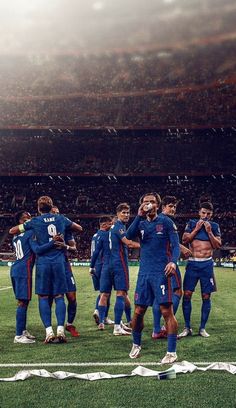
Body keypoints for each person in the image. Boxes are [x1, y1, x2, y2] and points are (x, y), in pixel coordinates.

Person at [9, 196, 83, 344]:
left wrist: (28, 224)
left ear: (38, 208)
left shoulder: (34, 222)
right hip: (59, 262)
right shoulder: (61, 218)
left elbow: (13, 231)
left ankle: (49, 332)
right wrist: (63, 229)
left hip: (43, 264)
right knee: (59, 296)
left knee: (43, 297)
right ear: (51, 207)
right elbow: (79, 228)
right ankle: (61, 330)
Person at [126, 193, 180, 363]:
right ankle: (136, 344)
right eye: (145, 202)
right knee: (138, 311)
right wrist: (139, 215)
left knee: (166, 311)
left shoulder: (166, 222)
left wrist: (173, 262)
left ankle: (171, 352)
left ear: (158, 205)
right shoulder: (140, 222)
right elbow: (128, 235)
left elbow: (176, 245)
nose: (148, 204)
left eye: (152, 202)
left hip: (161, 273)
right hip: (144, 274)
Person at [11, 210, 64, 344]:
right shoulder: (30, 233)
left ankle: (22, 330)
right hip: (24, 271)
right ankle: (18, 335)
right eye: (26, 218)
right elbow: (37, 250)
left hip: (17, 268)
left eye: (30, 217)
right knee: (22, 302)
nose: (29, 219)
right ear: (20, 221)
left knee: (25, 301)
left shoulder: (16, 236)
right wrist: (53, 242)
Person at [178, 201, 221, 338]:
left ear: (211, 214)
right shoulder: (191, 223)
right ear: (199, 212)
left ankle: (202, 328)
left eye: (208, 214)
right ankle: (187, 327)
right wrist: (196, 229)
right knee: (187, 295)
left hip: (206, 265)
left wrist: (209, 232)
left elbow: (217, 245)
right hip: (192, 264)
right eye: (203, 213)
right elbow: (185, 240)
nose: (205, 216)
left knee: (206, 296)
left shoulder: (214, 226)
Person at [152, 196, 192, 339]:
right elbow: (170, 242)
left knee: (158, 296)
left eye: (174, 207)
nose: (173, 209)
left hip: (155, 264)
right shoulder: (166, 221)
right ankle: (166, 324)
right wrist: (182, 249)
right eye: (170, 206)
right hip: (168, 262)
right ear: (163, 208)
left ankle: (156, 329)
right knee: (177, 292)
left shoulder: (155, 220)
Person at [109, 203, 140, 336]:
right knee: (121, 293)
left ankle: (120, 322)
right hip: (119, 263)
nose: (126, 215)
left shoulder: (115, 226)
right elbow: (128, 243)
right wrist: (146, 246)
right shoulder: (119, 227)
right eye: (123, 213)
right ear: (117, 214)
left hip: (113, 262)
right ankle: (117, 327)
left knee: (123, 293)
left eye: (128, 213)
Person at [51, 206, 80, 337]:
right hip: (50, 266)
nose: (57, 215)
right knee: (56, 298)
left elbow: (74, 249)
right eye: (53, 213)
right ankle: (56, 327)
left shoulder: (66, 230)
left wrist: (65, 246)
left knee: (72, 298)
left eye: (58, 213)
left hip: (65, 265)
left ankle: (69, 324)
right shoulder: (41, 230)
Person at [90, 216, 114, 328]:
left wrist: (91, 266)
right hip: (103, 264)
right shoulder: (105, 235)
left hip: (95, 265)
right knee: (106, 292)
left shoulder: (95, 235)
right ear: (103, 225)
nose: (111, 226)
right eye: (110, 224)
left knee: (102, 291)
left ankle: (97, 310)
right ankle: (103, 316)